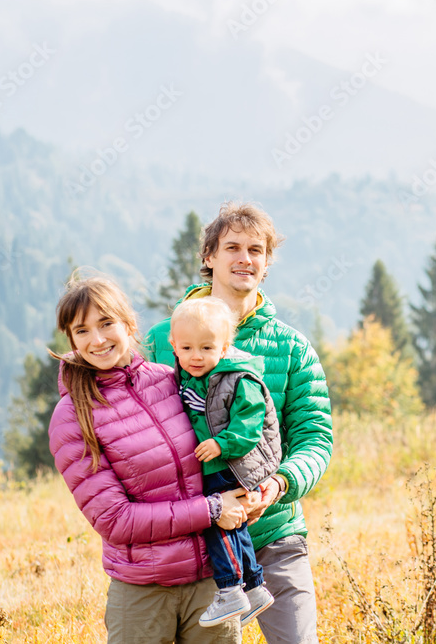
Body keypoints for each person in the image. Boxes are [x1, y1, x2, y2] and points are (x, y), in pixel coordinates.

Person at [146, 202, 333, 644]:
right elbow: (142, 431)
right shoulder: (162, 340)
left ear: (267, 263)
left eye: (255, 250)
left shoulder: (292, 348)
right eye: (232, 247)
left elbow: (315, 438)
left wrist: (279, 484)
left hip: (273, 532)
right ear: (209, 256)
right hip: (193, 538)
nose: (244, 259)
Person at [48, 272, 246, 644]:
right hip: (143, 593)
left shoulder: (171, 381)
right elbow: (116, 520)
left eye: (106, 323)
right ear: (72, 340)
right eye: (82, 331)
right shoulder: (73, 415)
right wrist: (212, 510)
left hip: (211, 584)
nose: (98, 339)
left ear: (128, 323)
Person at [168, 296, 280, 627]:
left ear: (225, 347)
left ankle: (230, 588)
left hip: (227, 466)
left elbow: (249, 426)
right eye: (187, 348)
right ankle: (254, 587)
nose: (196, 356)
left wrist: (221, 444)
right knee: (235, 527)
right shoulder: (188, 378)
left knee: (219, 525)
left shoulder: (238, 379)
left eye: (206, 348)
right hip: (210, 468)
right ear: (174, 346)